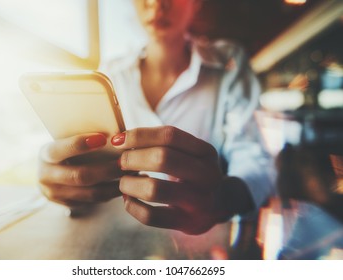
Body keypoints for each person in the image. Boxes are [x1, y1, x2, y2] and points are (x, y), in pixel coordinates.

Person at [38, 0, 275, 235]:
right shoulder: (110, 74)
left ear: (197, 4)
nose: (156, 3)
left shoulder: (228, 64)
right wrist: (70, 179)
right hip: (122, 232)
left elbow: (254, 156)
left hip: (204, 241)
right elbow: (87, 160)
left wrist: (221, 200)